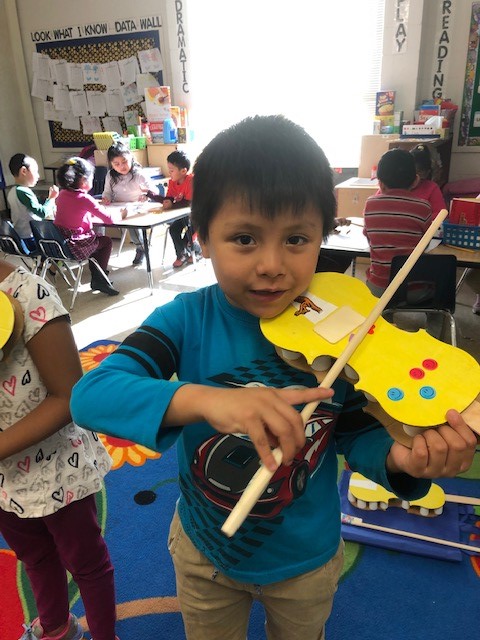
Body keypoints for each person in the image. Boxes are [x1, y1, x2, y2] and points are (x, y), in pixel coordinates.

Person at [70, 115, 476, 640]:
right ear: (203, 238)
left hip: (306, 558)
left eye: (296, 239)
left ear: (322, 240)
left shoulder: (342, 330)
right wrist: (206, 401)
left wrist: (402, 459)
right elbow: (92, 394)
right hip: (204, 550)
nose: (271, 265)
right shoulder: (186, 319)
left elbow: (355, 431)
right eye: (244, 238)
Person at [0, 259, 119, 640]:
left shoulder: (28, 292)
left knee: (85, 561)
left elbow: (69, 395)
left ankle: (104, 636)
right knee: (33, 555)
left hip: (55, 467)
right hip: (5, 478)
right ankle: (54, 628)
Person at [363, 147, 433, 297]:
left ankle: (385, 318)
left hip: (379, 288)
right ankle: (435, 320)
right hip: (414, 289)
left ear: (380, 183)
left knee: (381, 306)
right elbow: (425, 243)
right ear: (415, 181)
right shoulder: (423, 207)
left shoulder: (370, 204)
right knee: (438, 295)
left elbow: (368, 236)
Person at [55, 157, 122, 297]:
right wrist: (122, 214)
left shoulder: (62, 194)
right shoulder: (85, 199)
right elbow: (109, 220)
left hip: (61, 243)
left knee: (96, 241)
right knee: (105, 242)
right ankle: (99, 279)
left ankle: (98, 276)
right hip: (76, 245)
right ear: (84, 180)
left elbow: (73, 214)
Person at [102, 142, 158, 266]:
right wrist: (106, 198)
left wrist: (146, 194)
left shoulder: (138, 174)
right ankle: (141, 246)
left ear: (131, 158)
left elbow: (155, 190)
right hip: (120, 207)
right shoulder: (110, 176)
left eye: (125, 162)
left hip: (138, 207)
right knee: (108, 220)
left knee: (131, 223)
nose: (122, 166)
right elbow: (107, 193)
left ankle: (141, 247)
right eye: (116, 164)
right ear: (111, 164)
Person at [145, 150, 200, 268]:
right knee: (173, 229)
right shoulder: (172, 182)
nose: (169, 173)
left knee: (190, 234)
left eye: (171, 170)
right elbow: (169, 198)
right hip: (183, 215)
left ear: (183, 171)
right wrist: (151, 195)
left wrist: (171, 205)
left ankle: (195, 250)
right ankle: (181, 254)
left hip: (198, 216)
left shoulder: (191, 180)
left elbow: (188, 202)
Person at [7, 153, 59, 251]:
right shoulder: (23, 191)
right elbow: (42, 213)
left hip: (20, 235)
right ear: (24, 171)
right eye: (35, 171)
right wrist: (51, 198)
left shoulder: (12, 191)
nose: (38, 176)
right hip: (31, 236)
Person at [409, 144, 447, 215]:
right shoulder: (398, 185)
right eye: (412, 172)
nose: (416, 177)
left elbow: (440, 214)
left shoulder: (431, 188)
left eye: (420, 172)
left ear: (427, 173)